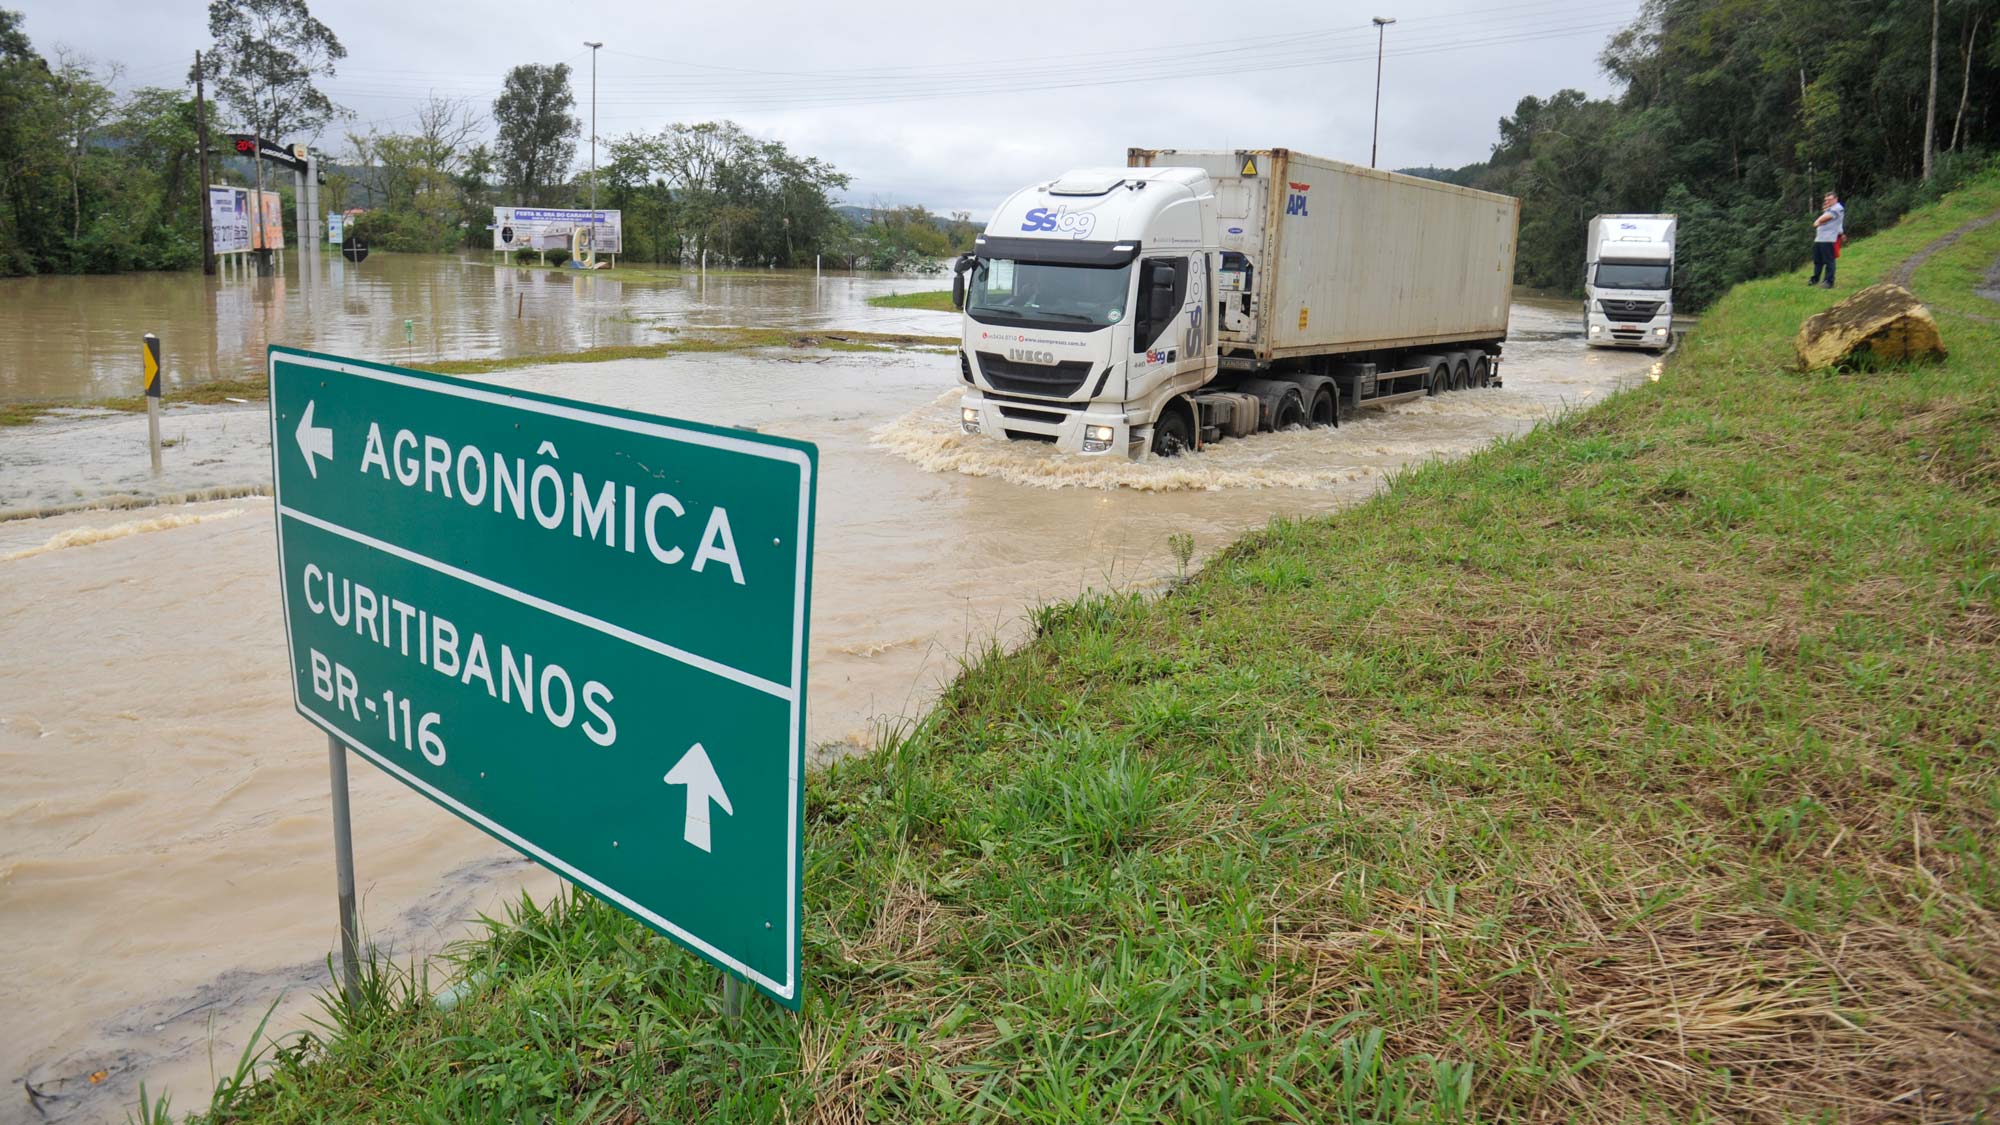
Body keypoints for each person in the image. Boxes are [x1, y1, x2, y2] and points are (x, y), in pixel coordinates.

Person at [1809, 191, 1845, 289]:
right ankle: (1815, 279)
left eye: (1830, 199)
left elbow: (1824, 219)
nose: (1827, 201)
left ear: (1835, 199)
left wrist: (1818, 222)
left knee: (1829, 261)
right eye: (1826, 200)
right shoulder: (1829, 209)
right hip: (1820, 238)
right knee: (1818, 261)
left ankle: (1829, 282)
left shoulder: (1837, 208)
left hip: (1829, 239)